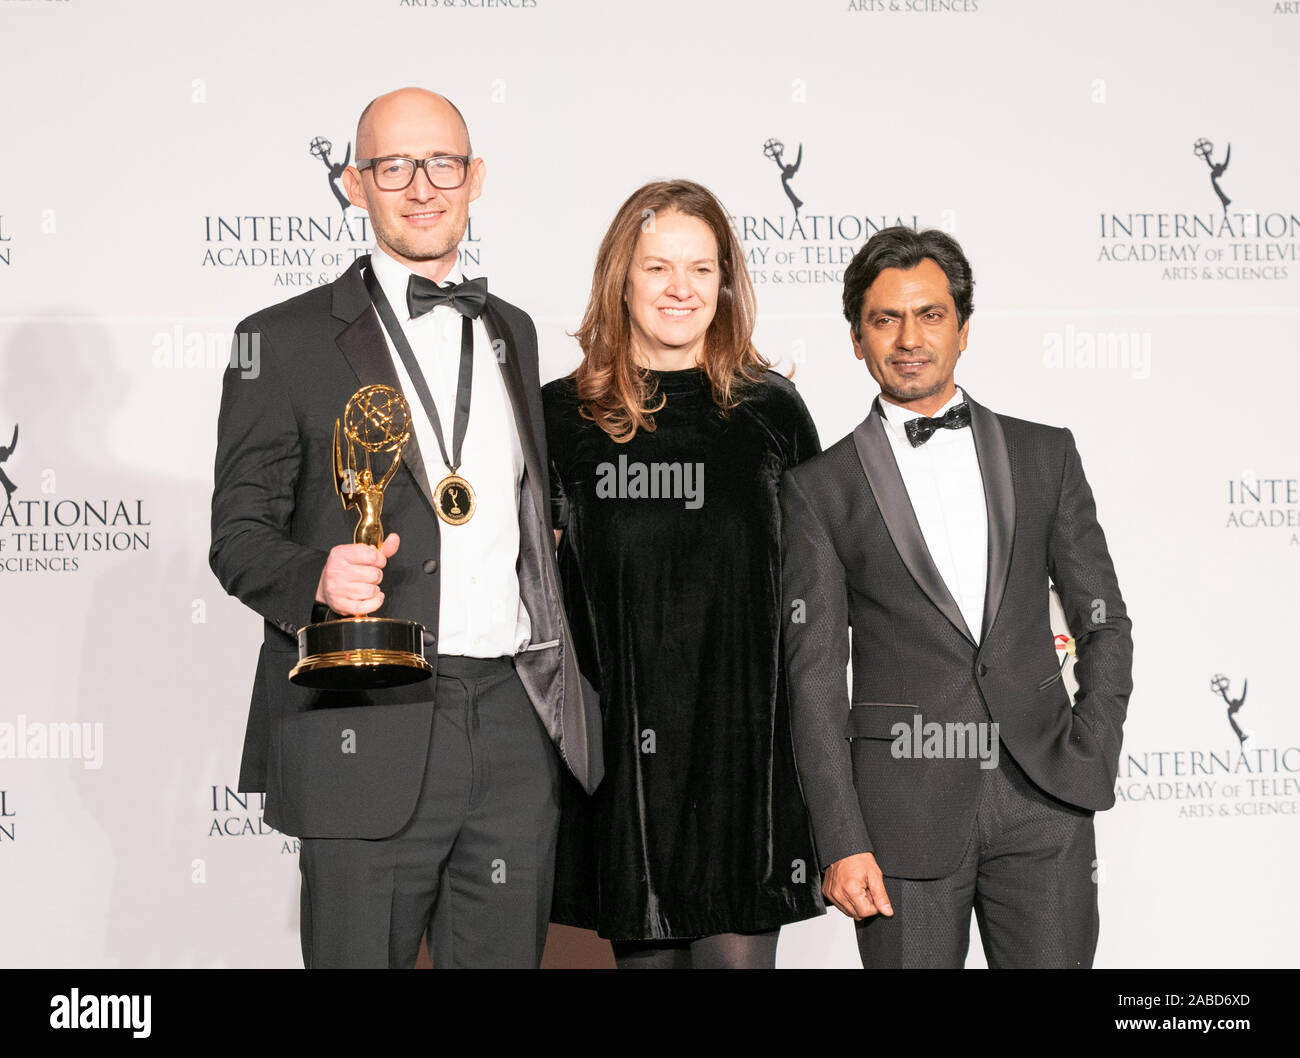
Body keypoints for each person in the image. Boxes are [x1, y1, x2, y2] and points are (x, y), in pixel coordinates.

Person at [209, 87, 601, 969]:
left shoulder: (513, 332)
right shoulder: (278, 340)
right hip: (362, 717)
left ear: (476, 178)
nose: (422, 186)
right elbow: (236, 535)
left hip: (510, 723)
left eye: (443, 164)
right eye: (394, 166)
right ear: (354, 184)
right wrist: (316, 576)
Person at [781, 226, 1133, 969]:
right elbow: (812, 679)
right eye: (886, 318)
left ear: (964, 329)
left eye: (931, 314)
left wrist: (1091, 747)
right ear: (856, 339)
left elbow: (1105, 621)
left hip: (1045, 801)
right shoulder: (819, 490)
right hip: (900, 817)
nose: (910, 338)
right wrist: (842, 840)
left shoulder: (1047, 454)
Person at [544, 180, 824, 969]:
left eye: (702, 269)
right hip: (627, 769)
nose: (680, 289)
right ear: (620, 280)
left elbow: (816, 594)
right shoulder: (561, 417)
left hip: (745, 761)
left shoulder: (774, 412)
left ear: (725, 284)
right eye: (658, 267)